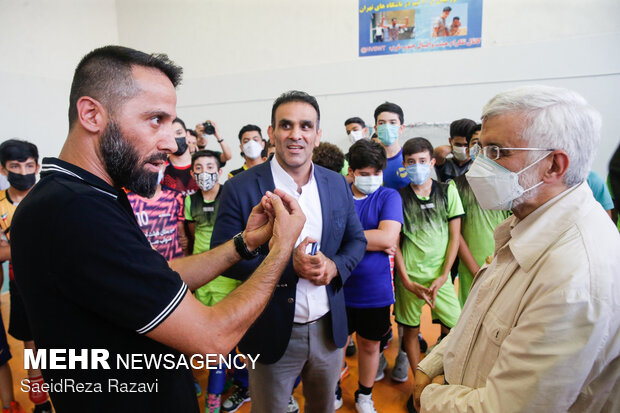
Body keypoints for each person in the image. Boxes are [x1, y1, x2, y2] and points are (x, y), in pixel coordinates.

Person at [10, 45, 306, 413]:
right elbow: (212, 339)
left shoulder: (83, 194)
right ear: (91, 114)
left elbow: (156, 276)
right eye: (155, 120)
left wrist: (244, 244)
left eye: (171, 123)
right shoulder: (75, 211)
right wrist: (281, 248)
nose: (171, 142)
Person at [414, 85, 620, 413]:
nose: (479, 164)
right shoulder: (525, 222)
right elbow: (479, 318)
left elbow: (507, 408)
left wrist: (429, 397)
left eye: (497, 152)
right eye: (480, 148)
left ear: (553, 166)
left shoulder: (574, 276)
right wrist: (434, 364)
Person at [211, 90, 367, 413]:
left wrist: (333, 267)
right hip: (270, 328)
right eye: (286, 125)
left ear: (318, 135)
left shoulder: (336, 184)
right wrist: (286, 265)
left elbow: (357, 242)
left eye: (306, 126)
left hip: (328, 329)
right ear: (271, 133)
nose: (296, 135)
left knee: (323, 408)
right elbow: (223, 258)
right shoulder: (239, 188)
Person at [395, 137, 464, 412]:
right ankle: (418, 385)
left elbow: (455, 238)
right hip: (409, 279)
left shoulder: (448, 191)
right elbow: (396, 245)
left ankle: (444, 380)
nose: (417, 166)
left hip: (441, 278)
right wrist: (407, 281)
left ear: (432, 162)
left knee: (457, 329)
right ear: (404, 165)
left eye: (422, 161)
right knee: (410, 332)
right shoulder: (397, 197)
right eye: (411, 162)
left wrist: (443, 275)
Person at [341, 139, 403, 413]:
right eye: (364, 174)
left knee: (369, 345)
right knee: (335, 346)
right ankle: (332, 390)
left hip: (374, 290)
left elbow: (389, 236)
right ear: (351, 172)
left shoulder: (389, 197)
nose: (371, 179)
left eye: (376, 173)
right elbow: (377, 238)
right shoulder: (339, 195)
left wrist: (344, 238)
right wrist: (372, 238)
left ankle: (364, 395)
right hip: (336, 287)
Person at [0, 140, 39, 413]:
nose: (23, 171)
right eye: (15, 166)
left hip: (57, 283)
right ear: (3, 169)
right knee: (31, 345)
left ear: (37, 166)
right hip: (20, 284)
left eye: (29, 165)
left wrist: (11, 248)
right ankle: (41, 402)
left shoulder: (48, 195)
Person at [454, 131, 511, 307]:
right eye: (475, 144)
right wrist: (474, 268)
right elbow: (456, 233)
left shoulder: (508, 185)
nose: (480, 150)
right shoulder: (456, 185)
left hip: (503, 264)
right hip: (469, 266)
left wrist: (500, 265)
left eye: (488, 146)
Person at [127, 168, 188, 260]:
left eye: (156, 165)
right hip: (146, 263)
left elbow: (182, 234)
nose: (151, 171)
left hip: (175, 261)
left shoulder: (176, 197)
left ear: (163, 167)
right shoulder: (128, 201)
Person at [374, 102, 409, 191]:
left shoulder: (409, 158)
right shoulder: (369, 158)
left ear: (401, 128)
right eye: (381, 123)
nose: (387, 127)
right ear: (376, 129)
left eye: (392, 122)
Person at [162, 117, 201, 196]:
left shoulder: (201, 165)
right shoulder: (161, 169)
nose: (176, 138)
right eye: (170, 136)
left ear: (187, 135)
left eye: (179, 133)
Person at [434, 118, 477, 183]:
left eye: (466, 145)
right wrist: (453, 149)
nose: (462, 148)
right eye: (458, 144)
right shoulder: (445, 164)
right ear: (450, 141)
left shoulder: (476, 164)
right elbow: (439, 152)